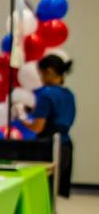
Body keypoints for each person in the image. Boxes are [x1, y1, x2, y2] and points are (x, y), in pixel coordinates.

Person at [26, 54, 76, 198]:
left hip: (48, 147)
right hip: (66, 146)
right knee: (52, 195)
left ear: (49, 71)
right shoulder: (69, 94)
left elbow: (38, 127)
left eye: (41, 74)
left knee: (42, 195)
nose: (40, 79)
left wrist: (23, 119)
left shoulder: (45, 95)